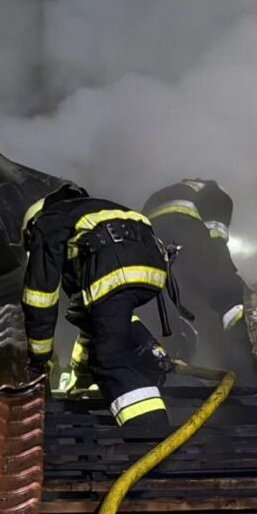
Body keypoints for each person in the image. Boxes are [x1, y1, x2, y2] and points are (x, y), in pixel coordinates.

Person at [21, 184, 173, 435]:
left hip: (114, 265)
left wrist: (39, 360)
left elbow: (40, 299)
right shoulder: (89, 215)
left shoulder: (47, 223)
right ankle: (150, 352)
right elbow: (98, 318)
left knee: (110, 359)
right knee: (106, 321)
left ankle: (150, 435)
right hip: (154, 269)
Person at [142, 179, 257, 382]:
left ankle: (172, 356)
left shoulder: (176, 189)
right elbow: (215, 242)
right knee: (225, 289)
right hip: (182, 227)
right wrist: (226, 269)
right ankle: (246, 345)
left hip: (148, 236)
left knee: (169, 298)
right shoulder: (220, 195)